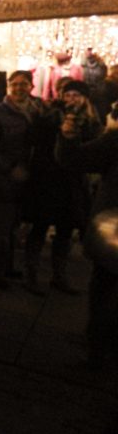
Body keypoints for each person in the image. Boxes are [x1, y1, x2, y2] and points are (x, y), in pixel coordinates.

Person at [23, 79, 102, 295]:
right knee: (40, 225)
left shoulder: (92, 120)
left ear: (84, 98)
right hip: (47, 179)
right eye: (68, 95)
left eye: (77, 95)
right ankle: (31, 275)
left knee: (66, 230)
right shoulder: (50, 114)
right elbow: (34, 139)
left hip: (72, 183)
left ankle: (59, 275)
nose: (72, 99)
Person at [57, 102, 118, 369]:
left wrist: (69, 137)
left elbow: (74, 160)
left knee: (106, 288)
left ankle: (98, 350)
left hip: (114, 229)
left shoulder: (114, 140)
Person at [0, 70, 43, 289]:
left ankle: (6, 266)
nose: (19, 88)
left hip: (26, 179)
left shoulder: (36, 110)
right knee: (1, 228)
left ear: (31, 87)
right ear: (8, 87)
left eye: (24, 84)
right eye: (15, 84)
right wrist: (10, 167)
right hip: (3, 180)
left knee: (13, 226)